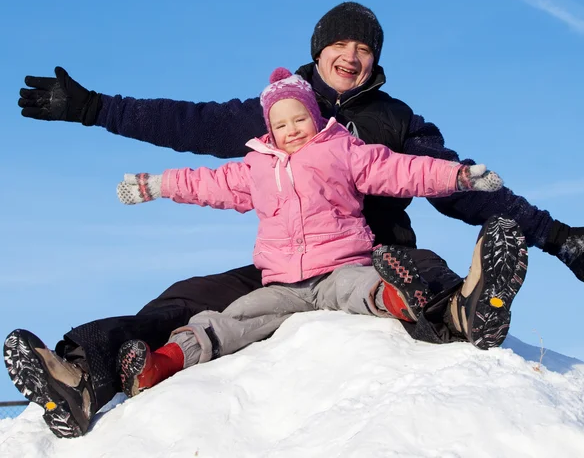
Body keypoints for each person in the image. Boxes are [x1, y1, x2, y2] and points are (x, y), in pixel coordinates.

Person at [4, 1, 584, 438]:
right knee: (182, 301)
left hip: (372, 257)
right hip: (282, 266)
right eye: (342, 44)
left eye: (365, 49)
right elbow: (183, 122)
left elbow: (448, 181)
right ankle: (82, 377)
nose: (353, 55)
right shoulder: (270, 120)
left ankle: (467, 308)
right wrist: (95, 109)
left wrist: (557, 237)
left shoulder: (395, 121)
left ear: (374, 63)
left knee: (416, 270)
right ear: (319, 52)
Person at [112, 67, 505, 397]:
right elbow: (206, 184)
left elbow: (401, 170)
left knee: (365, 289)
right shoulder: (255, 168)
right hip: (282, 284)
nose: (292, 129)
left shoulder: (341, 151)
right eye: (281, 124)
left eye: (299, 119)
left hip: (339, 267)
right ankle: (160, 364)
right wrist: (157, 184)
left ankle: (406, 295)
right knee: (230, 318)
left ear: (315, 117)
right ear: (270, 128)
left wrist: (458, 176)